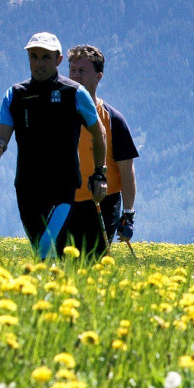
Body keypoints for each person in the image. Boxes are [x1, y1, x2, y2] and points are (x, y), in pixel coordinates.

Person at [0, 32, 109, 258]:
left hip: (62, 186)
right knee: (43, 253)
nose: (38, 63)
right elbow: (0, 138)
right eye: (33, 56)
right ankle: (56, 289)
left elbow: (98, 133)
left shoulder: (74, 92)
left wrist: (99, 174)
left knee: (46, 247)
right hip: (26, 187)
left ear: (58, 60)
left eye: (45, 57)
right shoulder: (15, 94)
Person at [65, 44, 139, 246]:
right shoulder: (58, 114)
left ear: (99, 76)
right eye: (72, 70)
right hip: (66, 200)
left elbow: (126, 169)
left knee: (91, 263)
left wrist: (128, 213)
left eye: (82, 71)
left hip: (103, 202)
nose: (75, 76)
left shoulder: (113, 119)